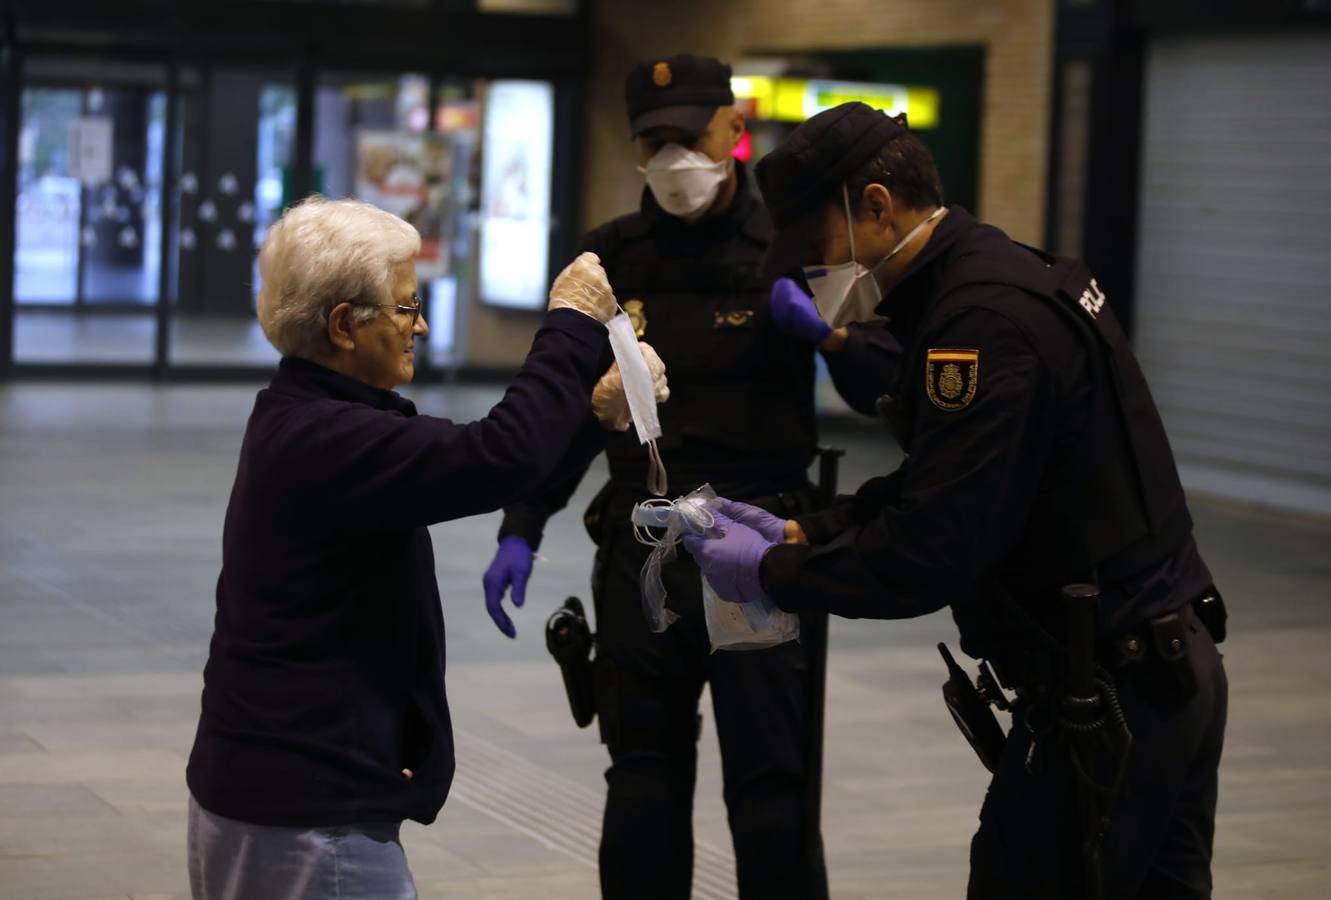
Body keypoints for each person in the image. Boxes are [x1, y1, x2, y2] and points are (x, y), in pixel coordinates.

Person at [682, 102, 1229, 899]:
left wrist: (774, 573)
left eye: (815, 243)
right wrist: (810, 526)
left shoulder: (976, 324)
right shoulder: (994, 277)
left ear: (875, 207)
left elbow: (930, 550)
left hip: (1115, 691)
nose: (807, 268)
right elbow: (955, 478)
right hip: (1164, 668)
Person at [479, 56, 894, 900]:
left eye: (688, 135)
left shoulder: (798, 239)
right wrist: (522, 522)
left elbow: (885, 381)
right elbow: (569, 412)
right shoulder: (606, 259)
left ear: (732, 130)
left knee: (771, 788)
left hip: (762, 556)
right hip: (646, 551)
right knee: (642, 777)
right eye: (653, 139)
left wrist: (829, 336)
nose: (673, 157)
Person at [184, 196, 664, 900]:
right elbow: (499, 454)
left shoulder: (314, 417)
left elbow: (485, 456)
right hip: (306, 812)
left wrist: (592, 415)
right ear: (344, 324)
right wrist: (570, 322)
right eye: (406, 308)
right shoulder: (326, 439)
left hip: (281, 789)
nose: (422, 325)